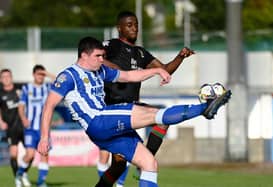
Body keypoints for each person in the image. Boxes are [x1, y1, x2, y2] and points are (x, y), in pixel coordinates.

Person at [37, 36, 231, 187]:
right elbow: (49, 105)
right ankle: (205, 107)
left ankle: (206, 107)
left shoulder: (100, 71)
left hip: (105, 129)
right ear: (84, 55)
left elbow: (129, 75)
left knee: (149, 163)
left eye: (103, 56)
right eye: (98, 56)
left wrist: (156, 71)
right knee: (154, 114)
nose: (102, 59)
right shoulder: (68, 75)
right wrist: (45, 137)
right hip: (98, 120)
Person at [98, 10, 195, 187]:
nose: (134, 28)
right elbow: (97, 60)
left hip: (133, 107)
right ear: (119, 28)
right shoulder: (110, 45)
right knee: (118, 166)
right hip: (114, 110)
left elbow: (165, 69)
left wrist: (180, 57)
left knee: (163, 119)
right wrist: (121, 73)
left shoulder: (141, 53)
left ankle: (144, 163)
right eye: (129, 25)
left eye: (136, 25)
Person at [16, 65, 55, 187]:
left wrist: (47, 73)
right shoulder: (27, 88)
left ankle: (41, 182)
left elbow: (61, 81)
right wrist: (23, 118)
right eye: (39, 74)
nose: (40, 76)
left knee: (44, 154)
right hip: (31, 128)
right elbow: (21, 106)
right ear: (33, 75)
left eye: (42, 74)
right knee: (30, 155)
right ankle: (20, 173)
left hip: (44, 129)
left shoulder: (48, 87)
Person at [0, 69, 30, 187]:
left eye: (8, 76)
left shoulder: (21, 89)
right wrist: (1, 121)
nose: (6, 78)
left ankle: (23, 173)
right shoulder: (0, 93)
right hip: (11, 127)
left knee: (30, 153)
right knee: (13, 154)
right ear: (1, 79)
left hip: (24, 125)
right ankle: (17, 179)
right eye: (4, 77)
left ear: (11, 77)